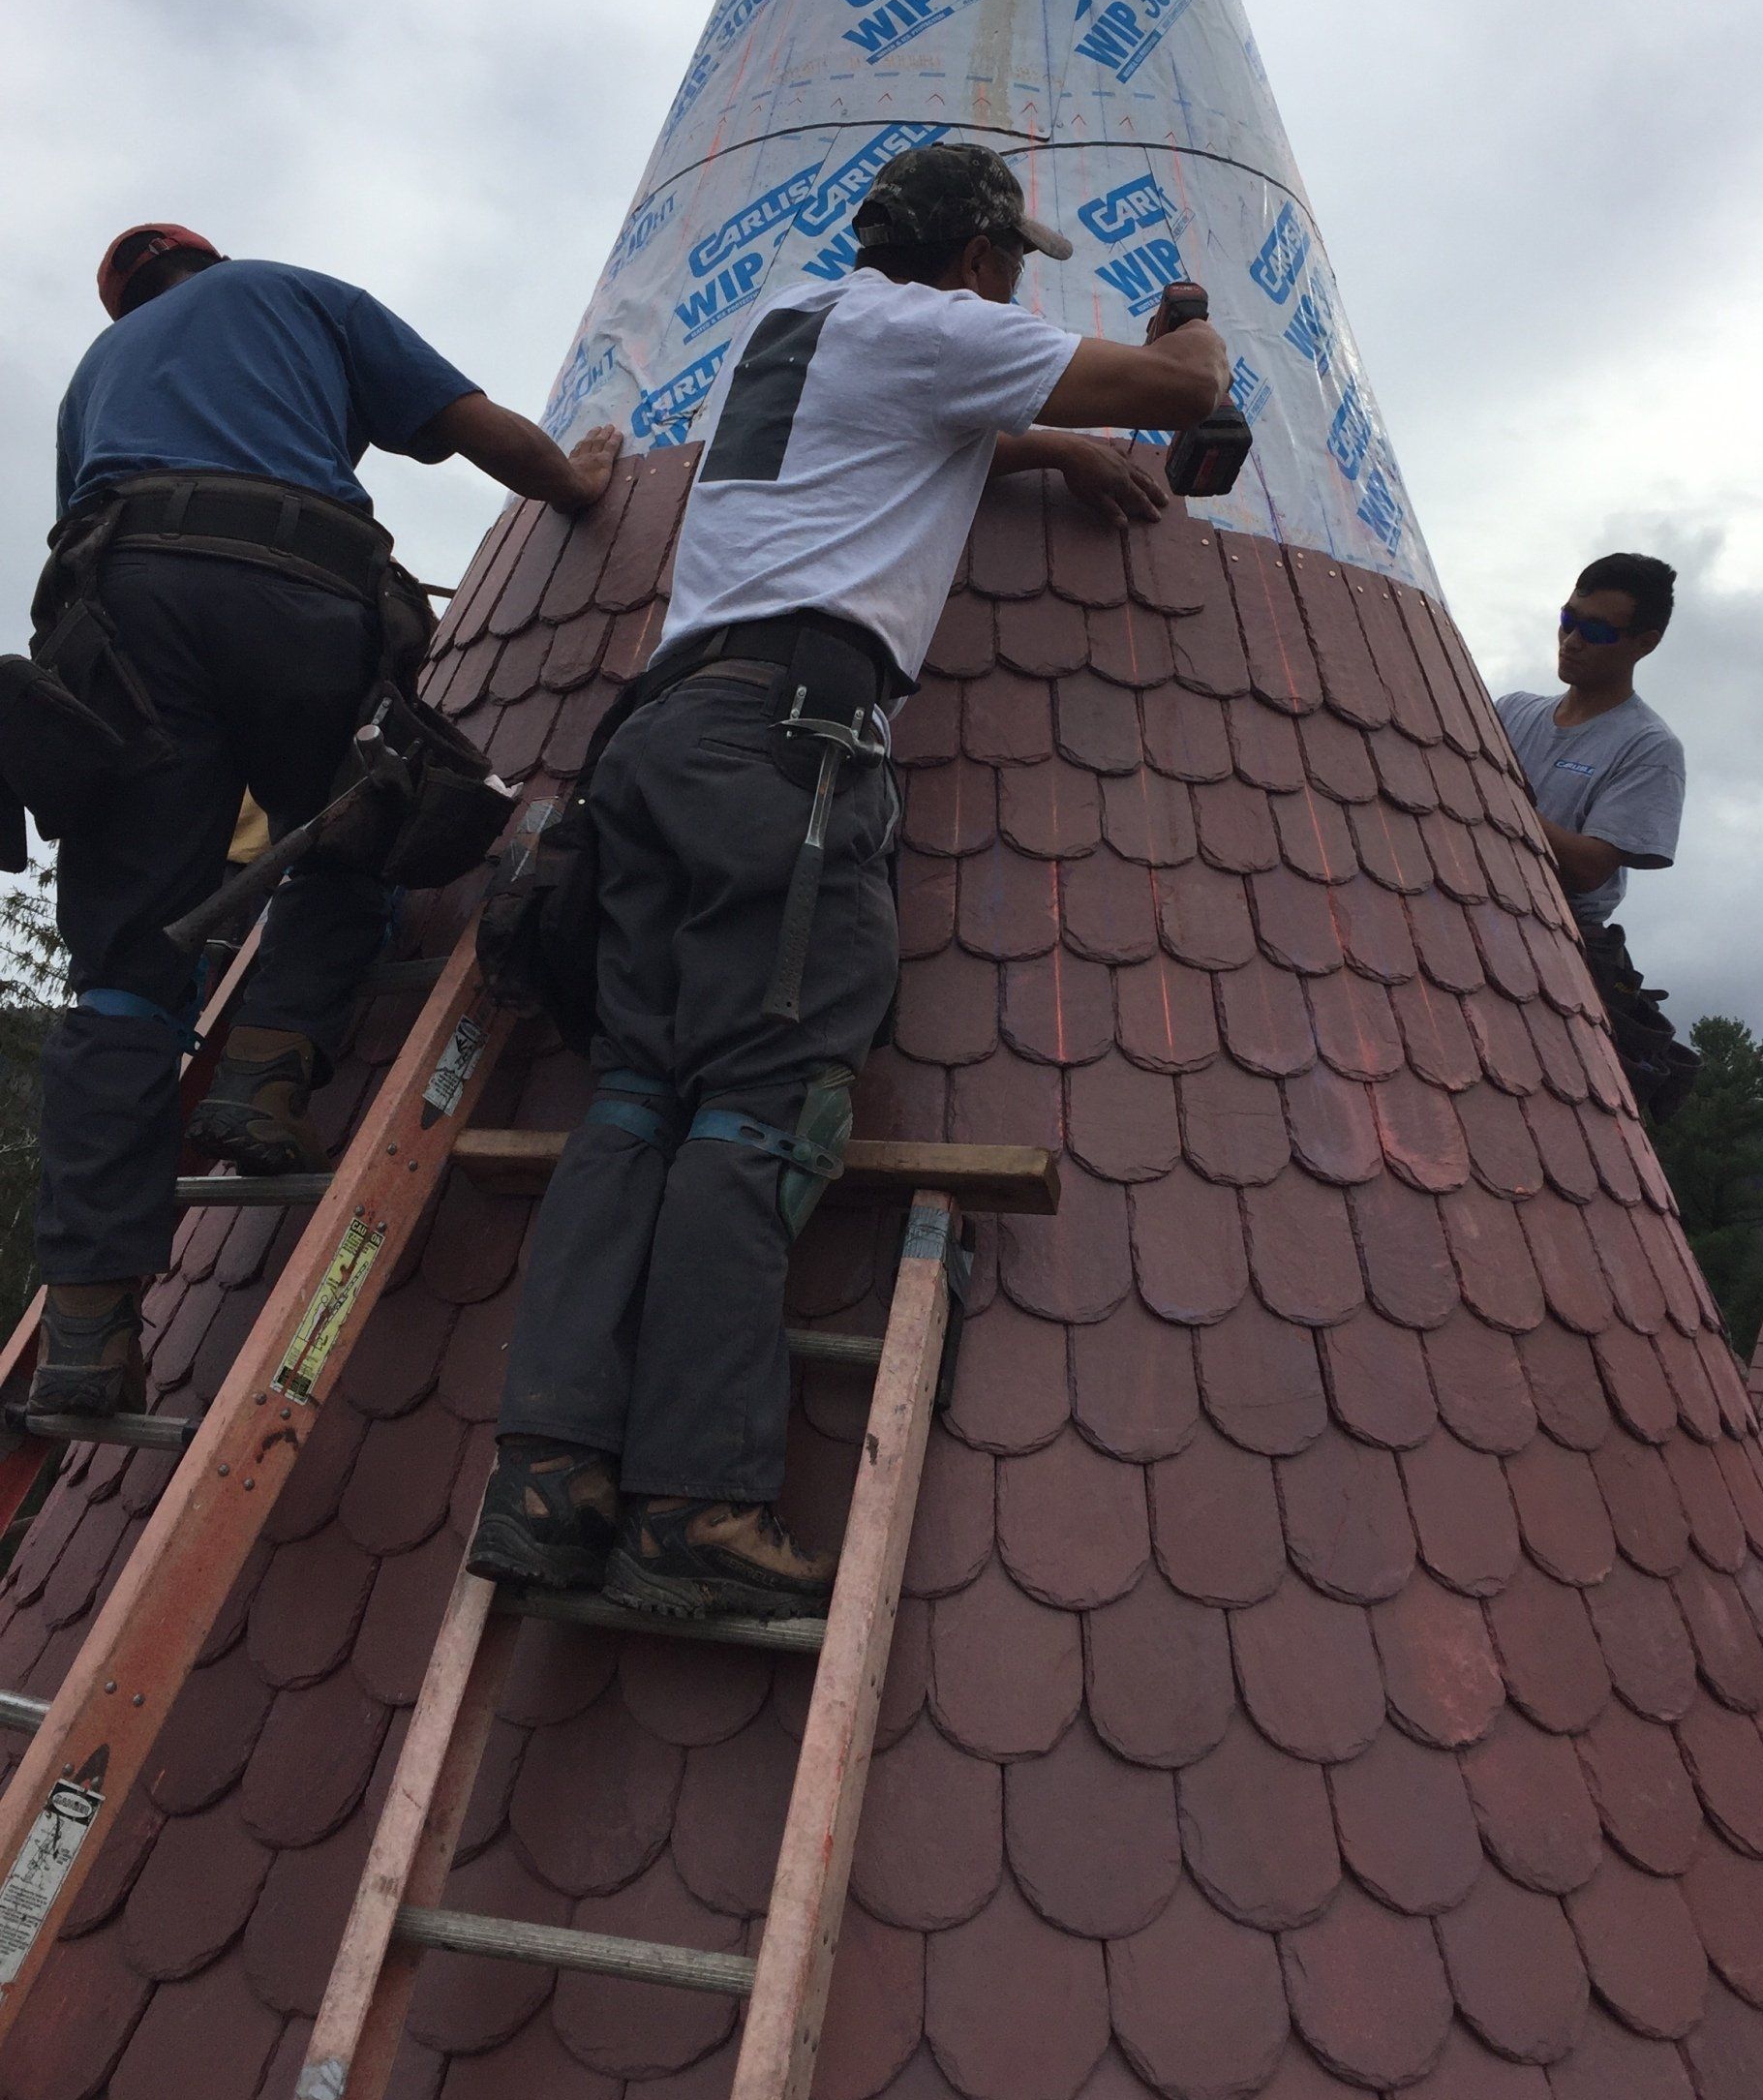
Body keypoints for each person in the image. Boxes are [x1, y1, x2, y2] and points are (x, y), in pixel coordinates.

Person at [467, 141, 1231, 1622]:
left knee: (635, 1098)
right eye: (1011, 264)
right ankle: (696, 1505)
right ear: (982, 259)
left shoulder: (793, 324)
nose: (1013, 288)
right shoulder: (943, 328)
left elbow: (875, 447)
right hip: (793, 749)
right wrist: (1185, 319)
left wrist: (1040, 445)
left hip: (669, 734)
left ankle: (549, 1476)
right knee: (761, 1107)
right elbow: (1186, 394)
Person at [29, 223, 611, 1420]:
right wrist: (581, 480)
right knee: (362, 826)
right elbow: (476, 430)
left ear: (125, 304)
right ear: (210, 261)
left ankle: (86, 1330)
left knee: (126, 977)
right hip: (297, 590)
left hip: (124, 614)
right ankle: (266, 1075)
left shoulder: (97, 378)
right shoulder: (298, 293)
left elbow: (82, 539)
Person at [1497, 552, 1693, 1115]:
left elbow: (1590, 866)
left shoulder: (1649, 747)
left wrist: (1494, 799)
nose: (1573, 640)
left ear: (1645, 643)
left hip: (1559, 949)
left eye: (1598, 630)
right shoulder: (1510, 710)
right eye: (1568, 619)